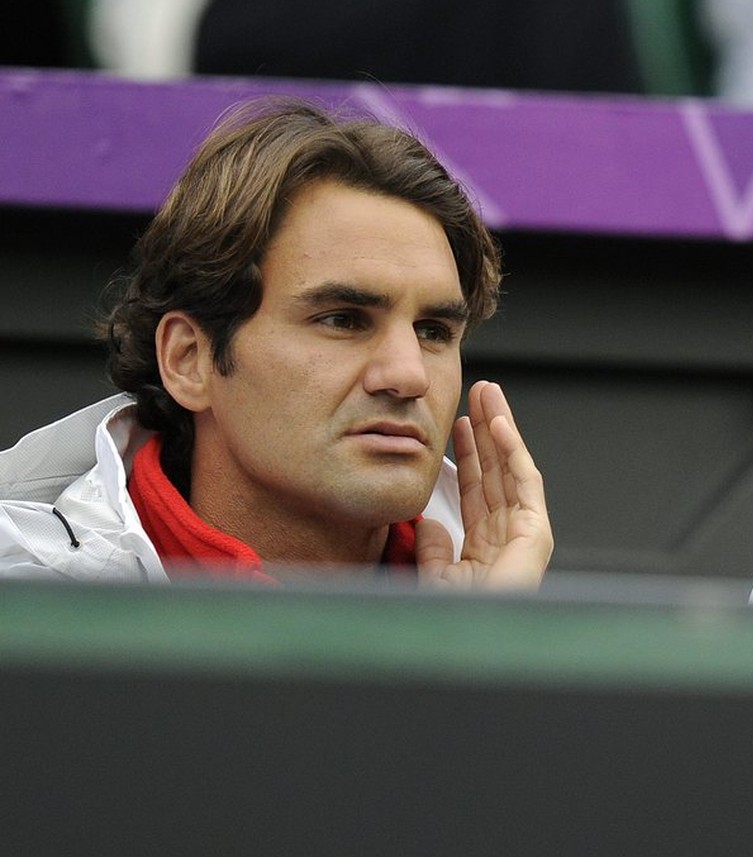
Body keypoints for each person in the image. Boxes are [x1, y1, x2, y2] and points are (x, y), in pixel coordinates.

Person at [0, 99, 552, 587]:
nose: (410, 376)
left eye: (433, 331)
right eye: (343, 320)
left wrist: (485, 658)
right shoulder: (24, 602)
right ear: (188, 360)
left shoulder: (499, 594)